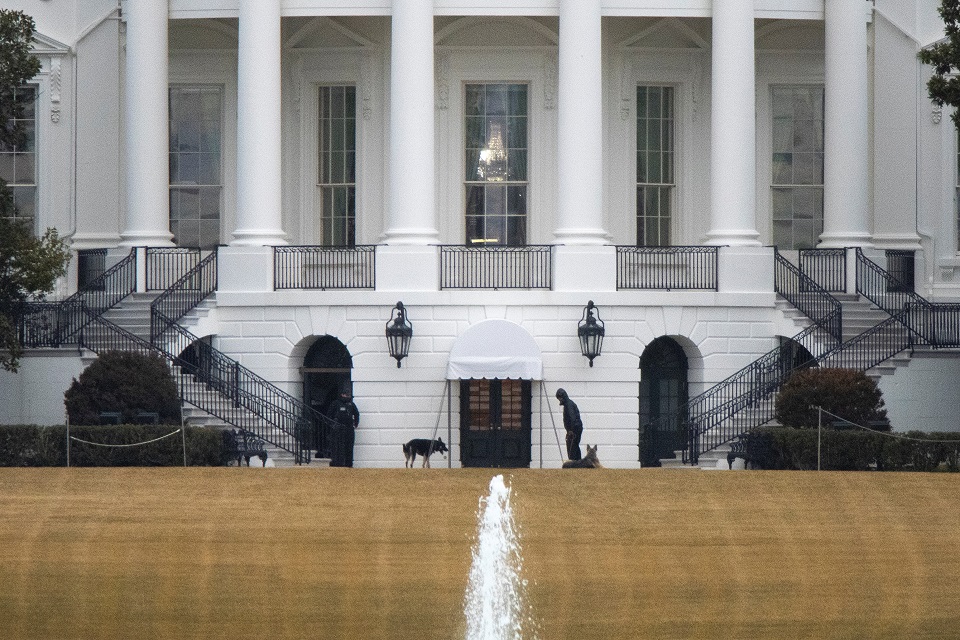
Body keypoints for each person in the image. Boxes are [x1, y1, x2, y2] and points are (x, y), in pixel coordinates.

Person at [326, 390, 360, 467]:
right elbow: (329, 415)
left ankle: (349, 464)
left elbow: (356, 413)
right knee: (338, 446)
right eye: (346, 394)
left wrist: (356, 423)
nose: (347, 396)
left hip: (349, 428)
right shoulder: (335, 403)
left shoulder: (351, 404)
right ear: (342, 394)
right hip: (338, 429)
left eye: (348, 395)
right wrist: (332, 424)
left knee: (349, 447)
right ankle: (338, 463)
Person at [556, 388, 583, 461]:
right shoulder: (569, 404)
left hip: (574, 429)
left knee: (572, 448)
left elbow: (572, 418)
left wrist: (571, 430)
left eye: (559, 398)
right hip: (576, 428)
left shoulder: (568, 405)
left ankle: (573, 463)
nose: (559, 400)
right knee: (575, 446)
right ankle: (578, 463)